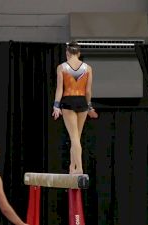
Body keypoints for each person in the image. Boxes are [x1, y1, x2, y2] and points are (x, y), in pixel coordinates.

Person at [51, 41, 98, 174]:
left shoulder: (62, 67)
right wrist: (89, 107)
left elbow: (60, 88)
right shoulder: (88, 68)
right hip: (82, 101)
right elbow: (88, 91)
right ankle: (73, 167)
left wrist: (56, 105)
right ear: (78, 53)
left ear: (67, 53)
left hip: (68, 101)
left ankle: (80, 168)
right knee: (76, 137)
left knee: (74, 138)